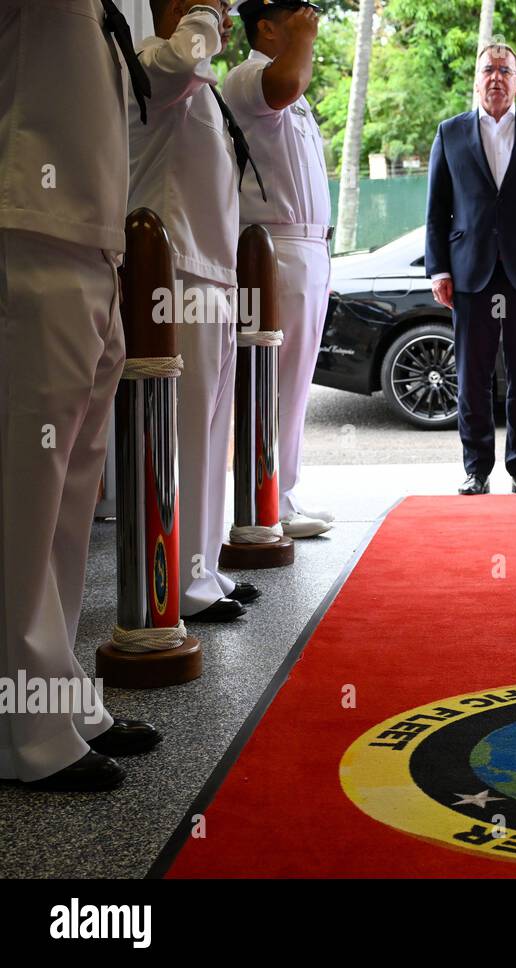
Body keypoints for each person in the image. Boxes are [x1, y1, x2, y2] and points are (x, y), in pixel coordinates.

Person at [0, 0, 160, 792]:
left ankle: (59, 699)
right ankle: (22, 731)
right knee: (23, 501)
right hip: (25, 223)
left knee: (67, 504)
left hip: (92, 240)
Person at [131, 0, 261, 623]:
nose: (224, 18)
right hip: (175, 272)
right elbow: (183, 56)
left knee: (211, 434)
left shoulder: (198, 84)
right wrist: (202, 14)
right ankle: (179, 583)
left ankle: (201, 571)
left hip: (212, 273)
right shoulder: (153, 64)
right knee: (184, 436)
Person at [425, 42, 516, 495]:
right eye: (488, 69)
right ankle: (476, 469)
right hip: (470, 272)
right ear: (476, 78)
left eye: (504, 70)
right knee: (472, 376)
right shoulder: (450, 133)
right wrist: (439, 269)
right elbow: (438, 211)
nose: (495, 77)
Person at [223, 0, 334, 536]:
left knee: (292, 385)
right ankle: (258, 504)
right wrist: (303, 40)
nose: (308, 19)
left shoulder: (293, 86)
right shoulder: (249, 76)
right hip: (274, 248)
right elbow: (283, 84)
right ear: (266, 25)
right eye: (294, 15)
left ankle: (279, 498)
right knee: (267, 382)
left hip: (308, 249)